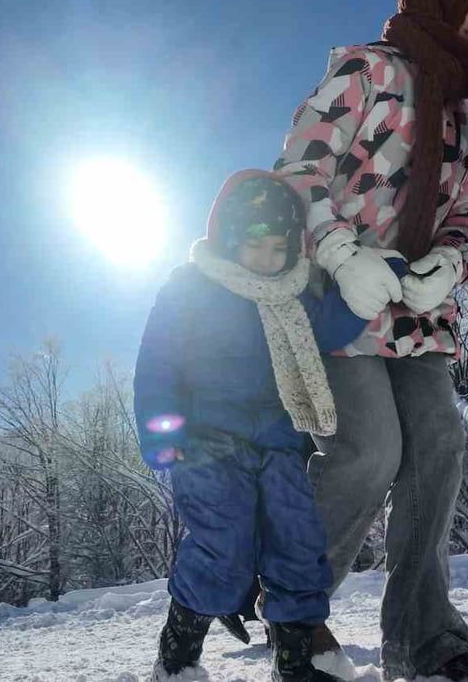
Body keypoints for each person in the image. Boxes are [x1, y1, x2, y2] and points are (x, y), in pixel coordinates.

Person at [271, 0, 468, 678]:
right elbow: (297, 170)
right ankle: (295, 617)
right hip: (337, 304)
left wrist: (450, 265)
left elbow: (466, 213)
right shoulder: (367, 69)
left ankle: (428, 647)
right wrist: (338, 250)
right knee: (367, 452)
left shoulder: (465, 113)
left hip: (419, 320)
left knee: (436, 450)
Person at [135, 171, 379, 681]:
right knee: (224, 548)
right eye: (255, 245)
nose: (268, 259)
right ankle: (178, 656)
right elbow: (159, 363)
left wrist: (372, 283)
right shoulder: (192, 289)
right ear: (228, 240)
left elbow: (331, 326)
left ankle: (294, 661)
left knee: (298, 542)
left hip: (279, 446)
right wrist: (163, 435)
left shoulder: (292, 295)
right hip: (208, 444)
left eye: (278, 247)